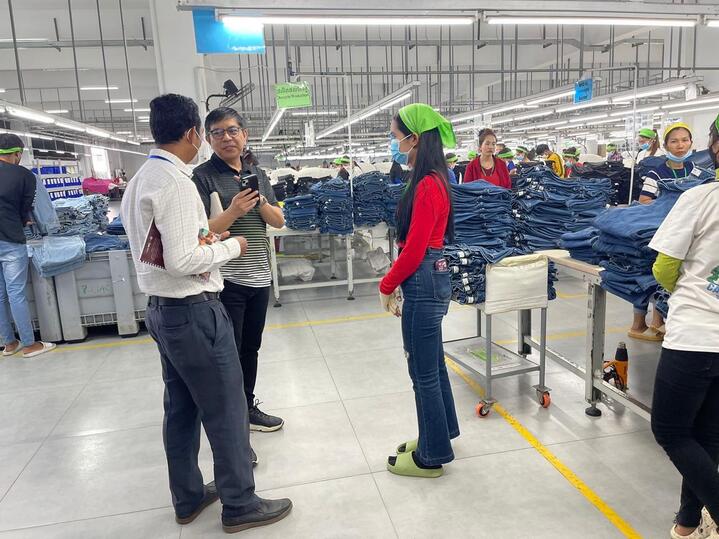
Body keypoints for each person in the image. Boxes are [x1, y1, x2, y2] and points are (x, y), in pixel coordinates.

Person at [120, 94, 291, 533]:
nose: (223, 138)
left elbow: (166, 249)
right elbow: (181, 259)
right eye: (213, 132)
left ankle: (189, 496)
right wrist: (232, 245)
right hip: (193, 310)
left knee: (181, 409)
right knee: (227, 408)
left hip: (164, 310)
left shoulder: (143, 177)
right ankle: (240, 503)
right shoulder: (179, 182)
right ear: (196, 134)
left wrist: (207, 240)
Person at [192, 107, 286, 433]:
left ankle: (247, 406)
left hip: (260, 275)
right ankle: (231, 418)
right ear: (208, 139)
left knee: (251, 347)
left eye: (232, 130)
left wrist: (258, 201)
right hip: (226, 279)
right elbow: (201, 233)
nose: (227, 137)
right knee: (227, 352)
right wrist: (233, 211)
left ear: (245, 134)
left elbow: (278, 220)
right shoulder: (202, 177)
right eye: (218, 132)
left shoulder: (255, 174)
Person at [381, 103, 459, 478]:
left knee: (422, 371)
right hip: (432, 276)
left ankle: (432, 455)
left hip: (423, 278)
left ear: (415, 138)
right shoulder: (433, 178)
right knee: (433, 365)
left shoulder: (428, 184)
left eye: (397, 137)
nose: (396, 143)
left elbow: (414, 249)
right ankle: (441, 433)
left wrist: (387, 284)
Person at [649, 173, 719, 539]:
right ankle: (688, 525)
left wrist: (697, 293)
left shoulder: (701, 197)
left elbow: (663, 267)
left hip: (695, 335)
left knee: (670, 431)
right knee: (708, 436)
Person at [629, 123, 698, 342]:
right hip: (659, 230)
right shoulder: (656, 172)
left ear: (691, 143)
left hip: (687, 231)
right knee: (649, 274)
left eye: (685, 140)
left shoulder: (696, 171)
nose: (680, 146)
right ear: (666, 145)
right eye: (674, 141)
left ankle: (661, 321)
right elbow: (644, 201)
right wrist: (671, 204)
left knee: (675, 276)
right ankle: (639, 323)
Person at [0, 134, 56, 359]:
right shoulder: (24, 176)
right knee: (16, 294)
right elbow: (27, 209)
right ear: (16, 154)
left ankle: (8, 343)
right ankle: (30, 344)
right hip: (11, 240)